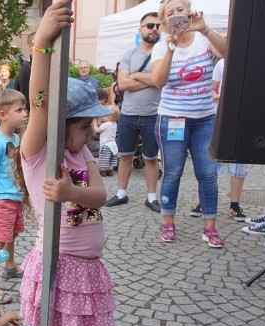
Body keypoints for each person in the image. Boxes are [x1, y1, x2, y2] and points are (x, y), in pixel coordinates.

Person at [17, 0, 134, 326]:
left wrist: (71, 191)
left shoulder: (81, 160)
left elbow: (102, 197)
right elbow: (41, 102)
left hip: (91, 270)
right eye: (85, 126)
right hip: (58, 266)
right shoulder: (39, 153)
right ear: (64, 125)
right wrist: (42, 44)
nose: (91, 134)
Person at [151, 0, 227, 247]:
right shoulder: (162, 47)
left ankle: (210, 227)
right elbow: (158, 81)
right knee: (172, 173)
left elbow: (227, 53)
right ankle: (168, 223)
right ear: (165, 22)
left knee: (208, 174)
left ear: (189, 11)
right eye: (170, 13)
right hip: (172, 118)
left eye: (180, 10)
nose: (176, 15)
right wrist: (171, 49)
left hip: (204, 118)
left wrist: (204, 29)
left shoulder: (203, 38)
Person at [106, 11, 163, 212]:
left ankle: (151, 196)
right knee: (125, 155)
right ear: (140, 29)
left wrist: (136, 76)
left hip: (153, 115)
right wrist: (150, 79)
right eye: (150, 25)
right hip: (129, 114)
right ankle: (121, 193)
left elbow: (160, 81)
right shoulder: (129, 54)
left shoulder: (162, 54)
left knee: (150, 158)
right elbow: (122, 83)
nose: (154, 29)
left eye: (157, 25)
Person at [0, 87, 28, 305]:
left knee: (11, 235)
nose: (25, 113)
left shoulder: (16, 137)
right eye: (19, 110)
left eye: (25, 108)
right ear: (3, 115)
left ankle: (9, 267)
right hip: (2, 199)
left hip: (15, 197)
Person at [210, 58, 248, 221]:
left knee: (239, 165)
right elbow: (212, 89)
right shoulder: (222, 63)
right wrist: (218, 97)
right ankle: (205, 201)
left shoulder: (250, 62)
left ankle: (234, 205)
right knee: (210, 165)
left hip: (241, 119)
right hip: (220, 119)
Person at [95, 105, 120, 177]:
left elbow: (97, 130)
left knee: (104, 159)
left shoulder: (105, 125)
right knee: (111, 159)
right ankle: (110, 171)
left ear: (108, 117)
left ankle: (103, 171)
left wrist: (94, 125)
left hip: (106, 145)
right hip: (113, 145)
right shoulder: (114, 124)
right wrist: (100, 124)